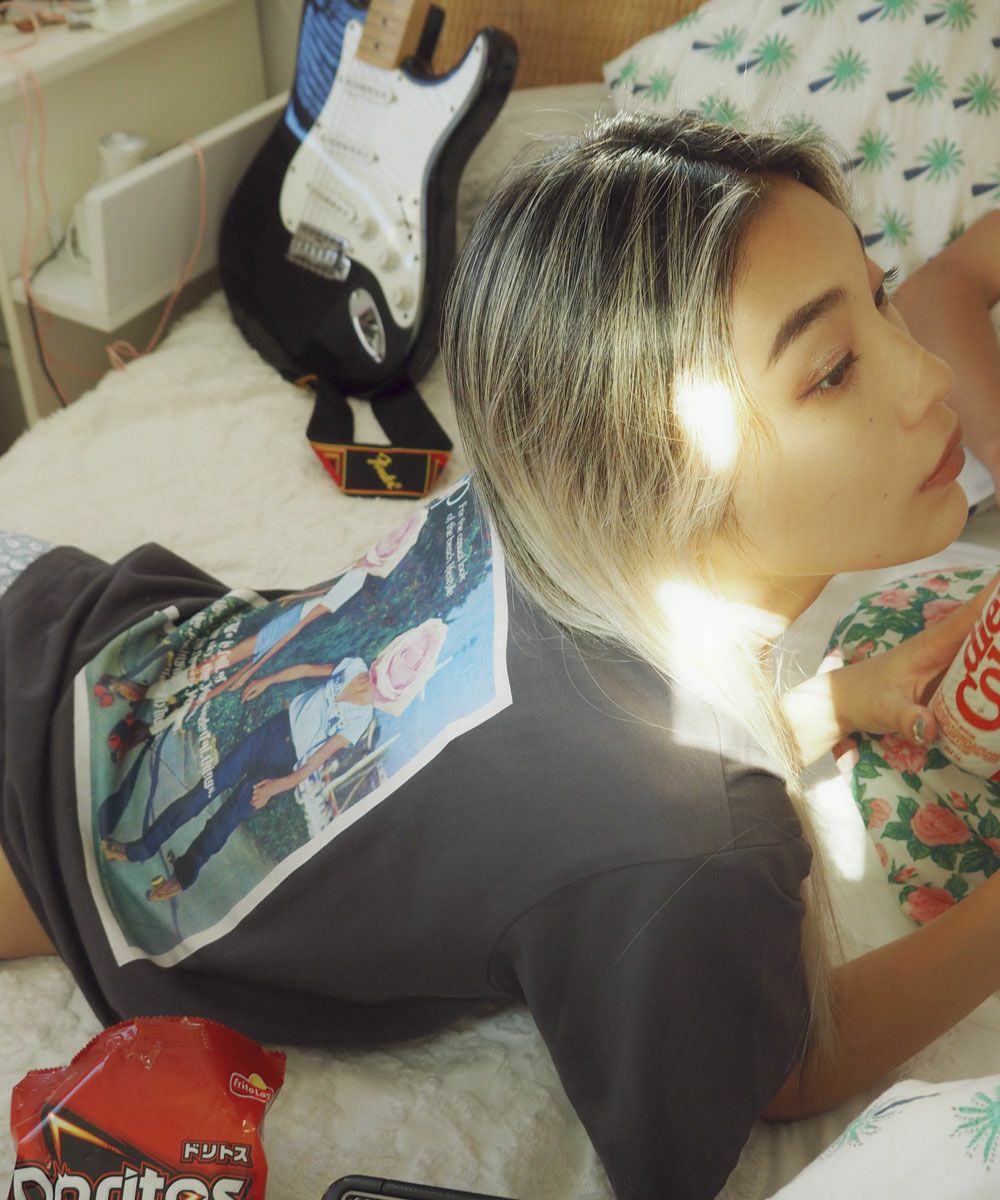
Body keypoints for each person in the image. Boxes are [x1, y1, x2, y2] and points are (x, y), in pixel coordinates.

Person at [1, 108, 999, 1200]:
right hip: (46, 789)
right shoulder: (686, 838)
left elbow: (533, 768)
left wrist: (832, 704)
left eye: (880, 296)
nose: (928, 376)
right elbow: (782, 1066)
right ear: (645, 460)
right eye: (831, 371)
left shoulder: (551, 487)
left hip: (74, 626)